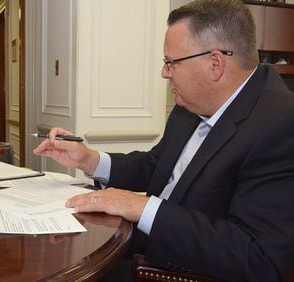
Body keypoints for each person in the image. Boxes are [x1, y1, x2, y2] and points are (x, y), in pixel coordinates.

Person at [34, 0, 294, 281]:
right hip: (139, 244)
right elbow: (157, 165)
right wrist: (90, 160)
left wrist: (141, 207)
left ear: (215, 63)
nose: (164, 72)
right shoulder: (193, 104)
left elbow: (258, 258)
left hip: (173, 268)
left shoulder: (280, 125)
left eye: (171, 62)